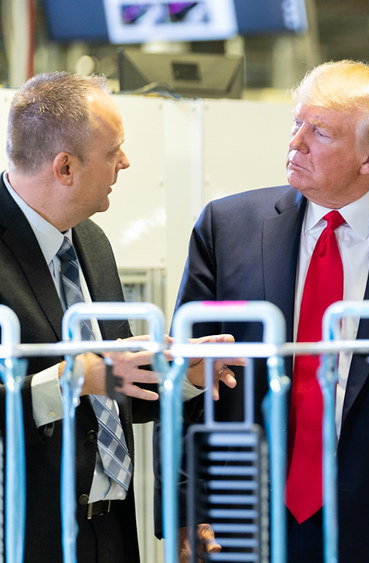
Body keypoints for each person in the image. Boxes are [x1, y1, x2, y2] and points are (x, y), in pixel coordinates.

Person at [173, 59, 369, 562]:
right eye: (296, 123)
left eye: (319, 132)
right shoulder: (225, 229)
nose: (295, 142)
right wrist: (186, 507)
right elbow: (185, 378)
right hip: (240, 523)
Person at [0, 72, 234, 563]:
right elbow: (80, 382)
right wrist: (69, 381)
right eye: (113, 152)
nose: (125, 162)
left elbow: (113, 391)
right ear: (65, 167)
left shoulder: (91, 241)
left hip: (111, 532)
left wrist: (184, 378)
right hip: (26, 536)